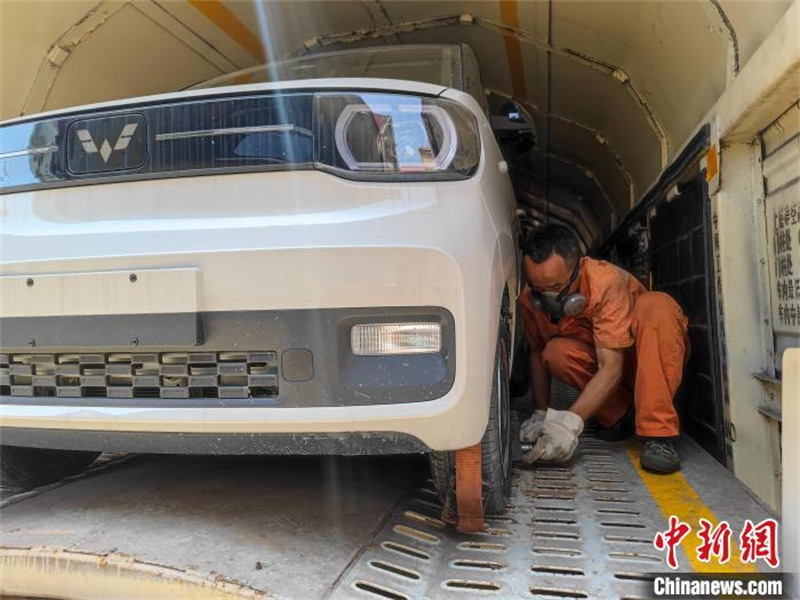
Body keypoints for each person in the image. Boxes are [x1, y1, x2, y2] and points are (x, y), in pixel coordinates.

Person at [518, 222, 689, 474]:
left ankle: (658, 435)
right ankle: (621, 415)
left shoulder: (604, 282)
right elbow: (536, 352)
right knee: (555, 353)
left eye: (555, 289)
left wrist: (568, 424)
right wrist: (540, 413)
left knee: (657, 306)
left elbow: (612, 368)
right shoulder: (530, 300)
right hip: (606, 366)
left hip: (647, 362)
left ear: (578, 269)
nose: (547, 299)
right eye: (539, 290)